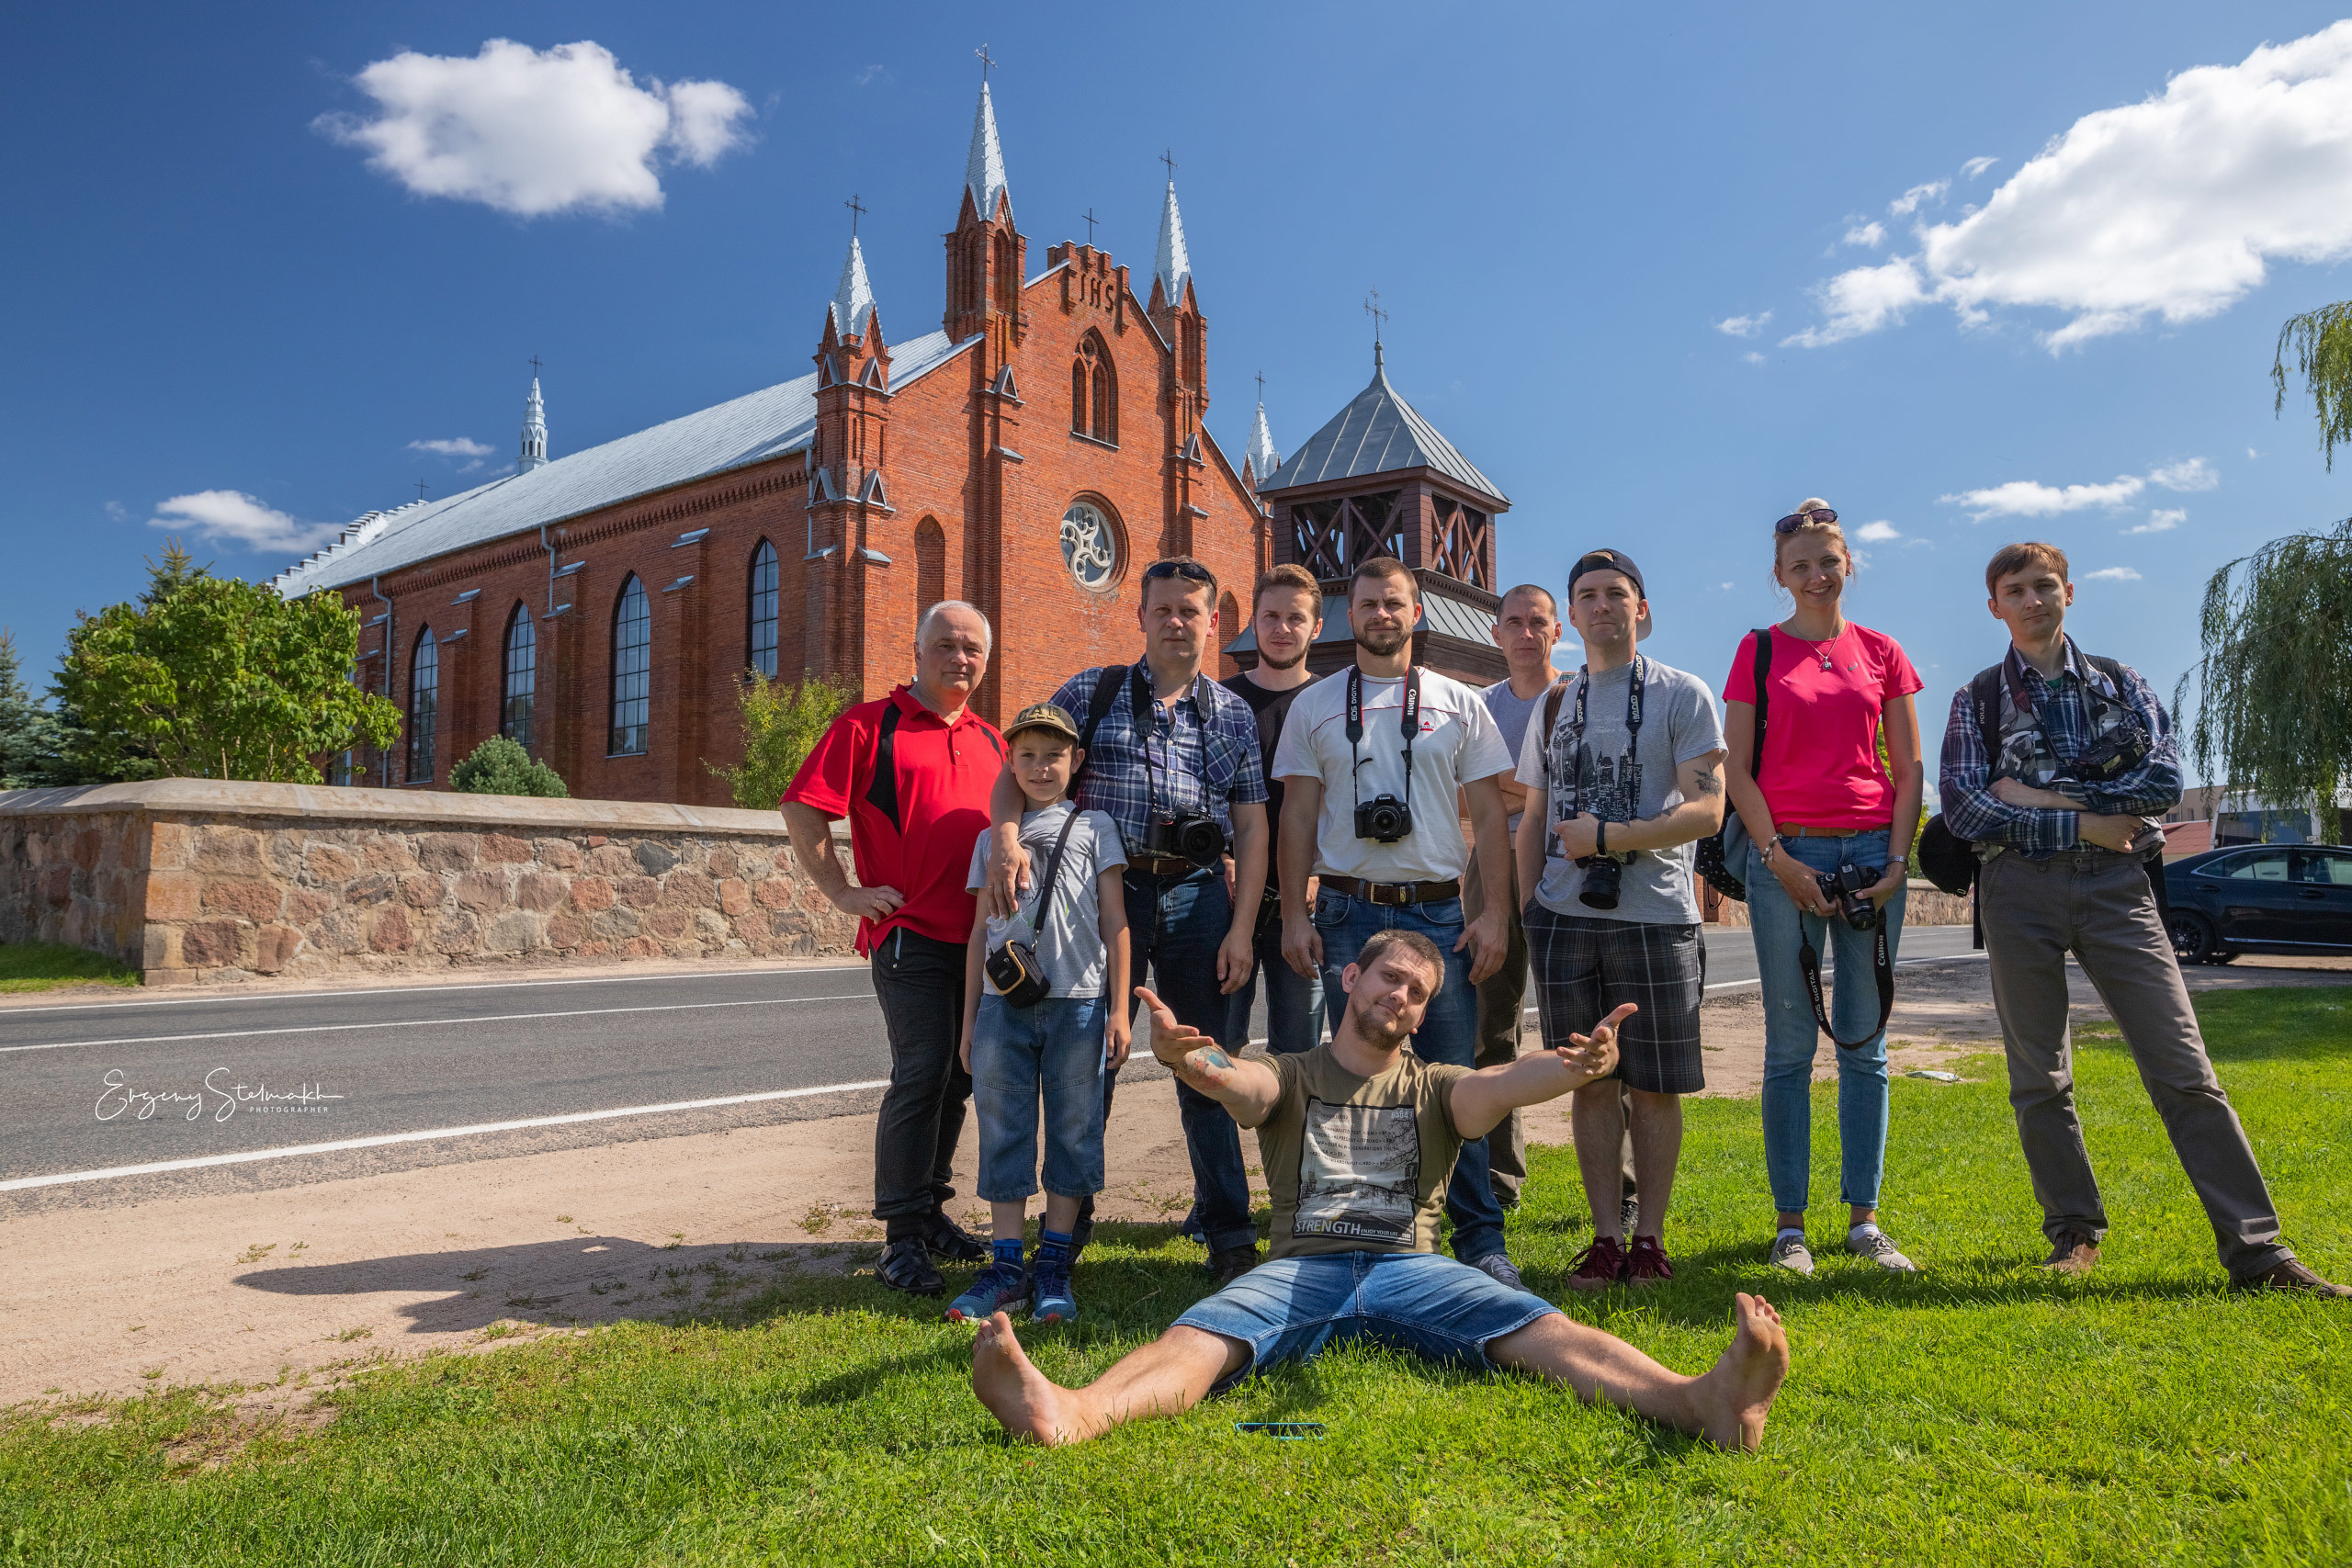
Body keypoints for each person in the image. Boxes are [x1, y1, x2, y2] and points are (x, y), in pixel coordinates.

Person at [965, 930, 1792, 1451]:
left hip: (1412, 1269)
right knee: (1197, 1342)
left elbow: (1504, 1083)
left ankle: (1699, 1403)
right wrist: (1189, 1059)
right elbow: (1241, 1083)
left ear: (1422, 1014)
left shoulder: (1437, 1086)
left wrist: (1574, 1066)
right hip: (1300, 1271)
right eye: (1388, 977)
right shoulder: (1295, 1072)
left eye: (1416, 992)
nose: (1397, 995)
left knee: (1549, 1331)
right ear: (1353, 977)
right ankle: (1070, 1413)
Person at [1939, 542, 2348, 1296]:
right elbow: (1966, 805)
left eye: (2044, 585)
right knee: (2040, 1076)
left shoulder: (2123, 683)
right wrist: (2089, 817)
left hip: (2120, 887)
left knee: (2184, 1067)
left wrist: (2040, 799)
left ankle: (2257, 1252)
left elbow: (2162, 777)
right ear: (1994, 605)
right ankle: (2073, 1233)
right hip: (2016, 891)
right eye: (2014, 589)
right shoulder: (1978, 699)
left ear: (2069, 593)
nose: (2032, 599)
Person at [985, 558, 1271, 1283]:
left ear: (1213, 621)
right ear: (1140, 616)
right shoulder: (1093, 689)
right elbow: (1018, 767)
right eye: (1164, 609)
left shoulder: (1233, 714)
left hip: (1197, 894)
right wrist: (1009, 839)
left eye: (1192, 610)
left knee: (1203, 1061)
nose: (1178, 621)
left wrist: (1241, 927)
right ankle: (1066, 1229)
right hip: (1101, 896)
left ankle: (1228, 1229)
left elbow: (1254, 827)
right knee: (1091, 1059)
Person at [1273, 556, 1522, 1286]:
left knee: (1457, 1080)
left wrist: (1494, 915)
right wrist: (1295, 910)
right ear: (1349, 615)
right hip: (1349, 907)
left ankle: (1481, 1239)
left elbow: (1486, 813)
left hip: (1440, 909)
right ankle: (1361, 1231)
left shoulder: (1458, 700)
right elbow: (1296, 814)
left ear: (1419, 613)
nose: (1382, 614)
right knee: (1353, 1077)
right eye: (1369, 604)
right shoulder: (1315, 704)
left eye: (1395, 603)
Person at [1722, 501, 1924, 1277]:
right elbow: (1736, 768)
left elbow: (1907, 768)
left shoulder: (1883, 652)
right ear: (1780, 576)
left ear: (1849, 565)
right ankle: (1790, 1226)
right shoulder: (1760, 650)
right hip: (1786, 857)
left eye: (1827, 561)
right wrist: (1777, 859)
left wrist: (1898, 863)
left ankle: (1865, 1219)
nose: (1815, 575)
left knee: (1866, 1045)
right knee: (1789, 1046)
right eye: (1800, 565)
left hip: (1876, 852)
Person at [1515, 551, 1726, 1289]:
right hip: (1564, 915)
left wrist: (1609, 839)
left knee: (1655, 1084)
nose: (1601, 606)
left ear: (1642, 610)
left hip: (1656, 915)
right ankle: (1606, 1238)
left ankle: (1651, 1239)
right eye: (1587, 596)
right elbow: (1533, 814)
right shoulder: (1553, 703)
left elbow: (1709, 807)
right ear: (1570, 616)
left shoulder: (1681, 693)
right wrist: (1525, 910)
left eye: (1616, 594)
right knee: (1590, 1082)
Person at [782, 602, 1003, 1297]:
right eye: (945, 644)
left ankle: (932, 1209)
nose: (958, 657)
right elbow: (802, 805)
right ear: (916, 649)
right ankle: (901, 1238)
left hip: (979, 943)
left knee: (961, 1073)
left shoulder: (995, 740)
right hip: (908, 933)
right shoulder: (867, 726)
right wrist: (843, 891)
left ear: (985, 660)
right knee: (923, 1068)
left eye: (971, 648)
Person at [949, 702, 1132, 1325]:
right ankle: (1006, 1266)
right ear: (1010, 763)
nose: (1040, 766)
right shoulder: (989, 839)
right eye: (1026, 755)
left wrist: (1119, 1008)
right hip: (1005, 1008)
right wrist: (971, 1020)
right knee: (1004, 1129)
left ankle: (1053, 1263)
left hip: (1080, 1003)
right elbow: (978, 934)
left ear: (1076, 761)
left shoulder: (1095, 826)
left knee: (1075, 1130)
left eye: (1053, 755)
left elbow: (1115, 922)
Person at [1465, 583, 1565, 1210]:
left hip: (1568, 865)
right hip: (1489, 868)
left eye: (1538, 622)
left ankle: (1622, 1189)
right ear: (1496, 634)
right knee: (1488, 1031)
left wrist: (1501, 788)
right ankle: (1498, 1181)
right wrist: (1534, 788)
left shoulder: (1578, 697)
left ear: (1558, 632)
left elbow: (1573, 796)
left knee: (1580, 1031)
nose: (1526, 633)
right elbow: (1456, 799)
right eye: (1514, 623)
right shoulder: (1477, 707)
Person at [1221, 564, 1328, 1057]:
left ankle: (1291, 1138)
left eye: (1295, 618)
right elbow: (1204, 792)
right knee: (1219, 1046)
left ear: (1316, 627)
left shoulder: (1333, 701)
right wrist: (1224, 859)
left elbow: (1344, 799)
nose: (1282, 629)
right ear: (1254, 623)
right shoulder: (1221, 701)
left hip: (1306, 901)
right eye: (1270, 617)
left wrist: (1318, 871)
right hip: (1227, 897)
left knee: (1298, 1051)